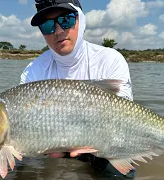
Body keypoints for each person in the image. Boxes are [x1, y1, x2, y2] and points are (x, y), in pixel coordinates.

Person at [20, 0, 135, 178]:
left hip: (104, 141)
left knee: (118, 174)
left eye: (66, 20)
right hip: (50, 146)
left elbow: (124, 117)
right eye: (47, 25)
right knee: (19, 169)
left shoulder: (110, 59)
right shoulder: (32, 72)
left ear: (80, 20)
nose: (58, 31)